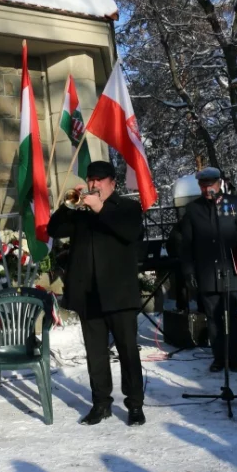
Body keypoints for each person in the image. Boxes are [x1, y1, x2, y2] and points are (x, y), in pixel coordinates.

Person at [47, 161, 146, 427]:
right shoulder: (81, 212)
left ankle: (135, 404)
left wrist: (100, 208)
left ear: (112, 182)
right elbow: (53, 230)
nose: (93, 185)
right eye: (91, 179)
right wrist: (68, 206)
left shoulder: (127, 207)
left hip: (120, 294)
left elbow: (130, 233)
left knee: (127, 350)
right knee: (95, 353)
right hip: (89, 293)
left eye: (99, 180)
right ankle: (101, 404)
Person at [179, 168, 237, 373]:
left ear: (219, 183)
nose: (207, 189)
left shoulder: (234, 203)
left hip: (230, 267)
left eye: (211, 184)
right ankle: (219, 358)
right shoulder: (193, 209)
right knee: (213, 316)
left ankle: (234, 357)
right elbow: (186, 244)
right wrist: (189, 271)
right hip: (206, 270)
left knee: (231, 314)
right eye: (203, 185)